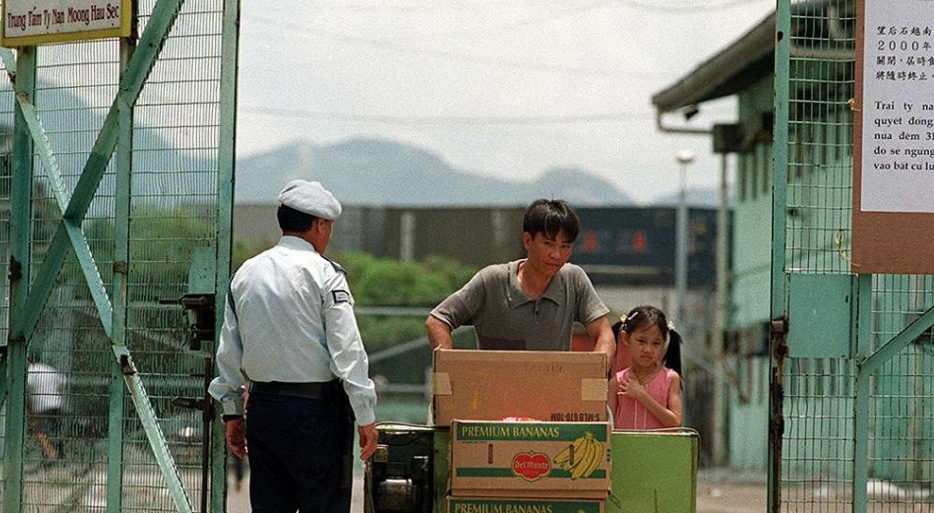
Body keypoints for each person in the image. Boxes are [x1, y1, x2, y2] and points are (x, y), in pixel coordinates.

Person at [208, 179, 378, 513]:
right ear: (319, 224)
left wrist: (231, 413)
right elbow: (347, 352)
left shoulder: (246, 274)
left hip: (264, 410)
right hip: (317, 414)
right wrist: (365, 415)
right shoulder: (325, 274)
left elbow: (228, 351)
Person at [425, 198, 615, 365]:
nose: (557, 255)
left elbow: (604, 333)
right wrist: (451, 369)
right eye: (548, 243)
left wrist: (594, 375)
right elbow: (437, 320)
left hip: (552, 398)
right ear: (527, 240)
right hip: (495, 398)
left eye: (565, 246)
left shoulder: (574, 280)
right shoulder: (492, 280)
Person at [609, 305, 683, 430]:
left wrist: (643, 396)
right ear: (626, 338)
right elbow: (608, 425)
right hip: (625, 449)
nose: (648, 350)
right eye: (641, 341)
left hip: (659, 449)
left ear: (664, 344)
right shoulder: (617, 382)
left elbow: (675, 422)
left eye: (656, 343)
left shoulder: (670, 378)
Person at [26, 360, 68, 464]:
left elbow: (28, 389)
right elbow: (63, 381)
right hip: (57, 403)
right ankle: (61, 453)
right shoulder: (47, 368)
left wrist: (30, 409)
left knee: (38, 431)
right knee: (56, 429)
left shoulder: (31, 371)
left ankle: (51, 454)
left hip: (42, 406)